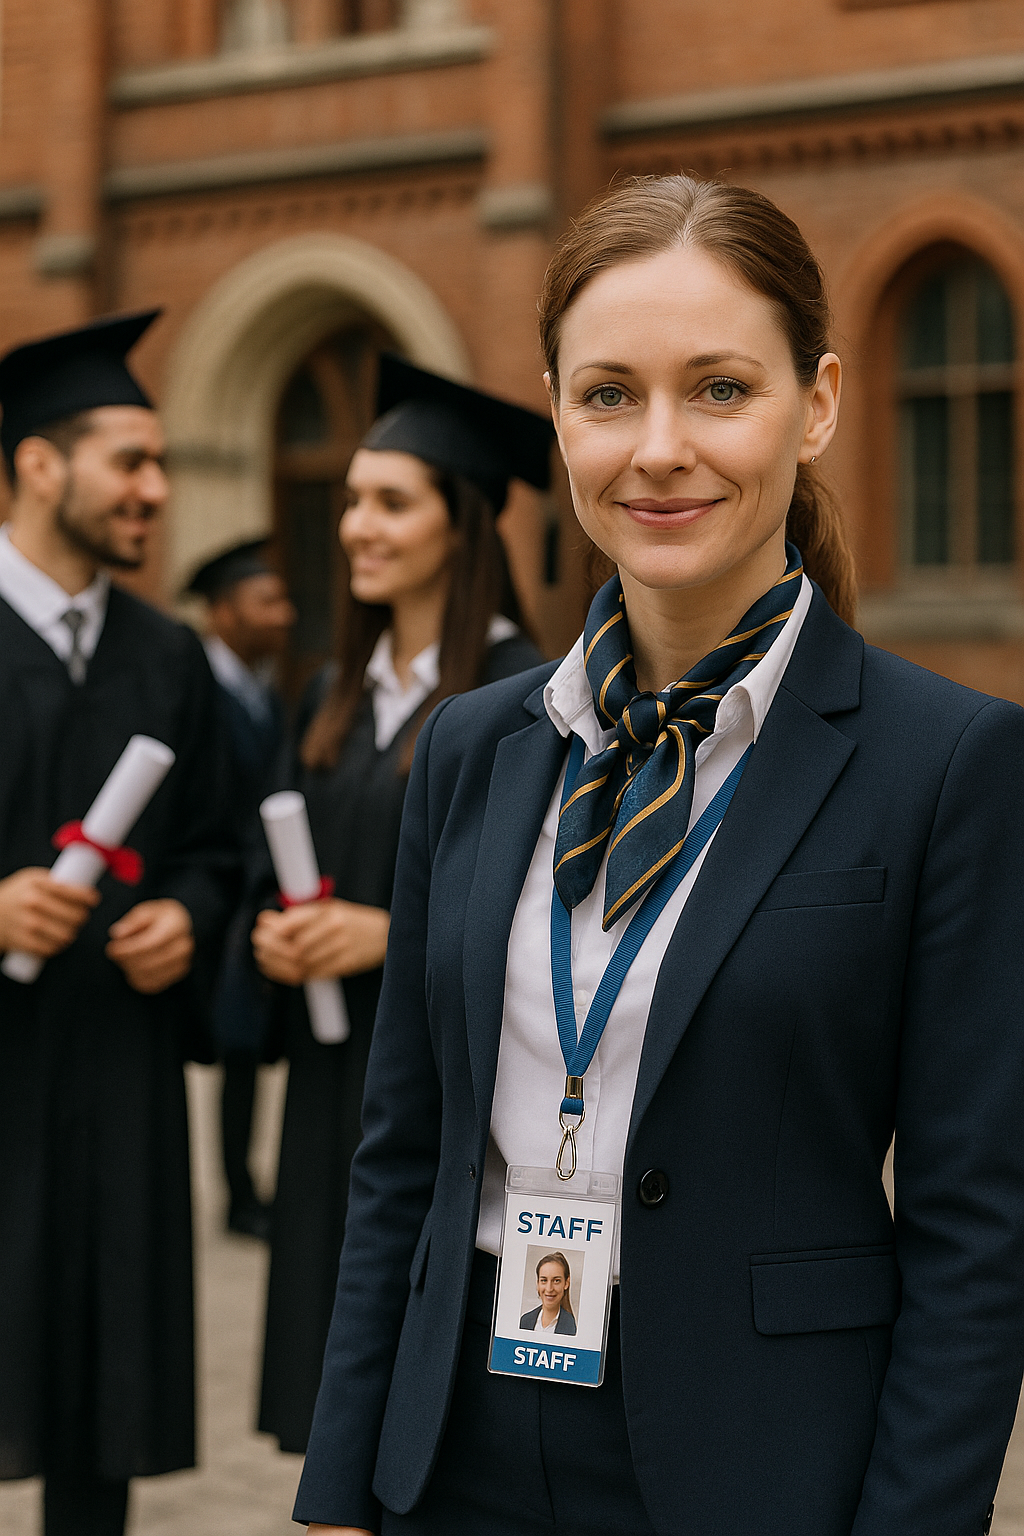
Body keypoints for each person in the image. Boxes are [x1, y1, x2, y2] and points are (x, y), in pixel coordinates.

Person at [293, 174, 1024, 1536]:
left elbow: (979, 1235)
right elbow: (402, 1157)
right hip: (454, 1459)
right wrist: (340, 1488)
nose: (660, 448)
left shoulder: (950, 764)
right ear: (559, 408)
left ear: (817, 403)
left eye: (721, 390)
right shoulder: (471, 746)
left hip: (762, 1470)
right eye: (611, 393)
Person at [251, 355, 551, 1455]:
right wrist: (273, 936)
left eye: (390, 502)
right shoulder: (338, 697)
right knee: (335, 1414)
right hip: (335, 1092)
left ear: (460, 525)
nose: (356, 528)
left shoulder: (528, 703)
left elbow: (555, 918)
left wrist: (389, 935)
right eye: (350, 504)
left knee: (428, 1418)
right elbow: (262, 866)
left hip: (450, 1106)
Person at [0, 311, 237, 1536]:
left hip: (117, 1069)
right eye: (130, 463)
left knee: (101, 1394)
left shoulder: (168, 655)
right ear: (42, 466)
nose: (155, 490)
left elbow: (217, 845)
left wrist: (188, 919)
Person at [185, 539, 296, 1241]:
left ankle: (245, 1187)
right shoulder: (195, 686)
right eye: (267, 602)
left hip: (252, 891)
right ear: (224, 612)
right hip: (211, 895)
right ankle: (236, 1192)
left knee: (248, 1048)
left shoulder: (262, 690)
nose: (284, 617)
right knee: (232, 1046)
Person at [520, 1254, 576, 1335]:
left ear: (566, 1283)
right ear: (538, 1283)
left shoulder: (571, 1326)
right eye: (544, 1280)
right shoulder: (525, 1321)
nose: (549, 1289)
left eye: (556, 1281)